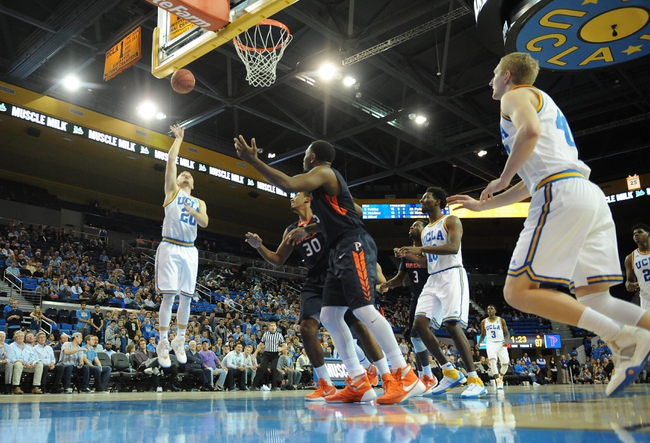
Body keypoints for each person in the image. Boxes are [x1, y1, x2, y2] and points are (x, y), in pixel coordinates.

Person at [447, 52, 650, 396]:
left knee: (516, 292)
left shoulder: (514, 96)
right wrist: (484, 207)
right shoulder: (545, 101)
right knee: (596, 299)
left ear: (507, 75)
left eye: (495, 74)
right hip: (585, 192)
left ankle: (623, 338)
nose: (491, 81)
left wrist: (499, 178)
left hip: (560, 193)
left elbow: (530, 132)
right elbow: (529, 180)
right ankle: (631, 336)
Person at [234, 136, 424, 404]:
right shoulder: (319, 195)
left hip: (352, 243)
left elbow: (288, 183)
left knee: (363, 311)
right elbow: (341, 213)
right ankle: (358, 380)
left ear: (312, 156)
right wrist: (308, 228)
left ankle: (403, 373)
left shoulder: (323, 172)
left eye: (305, 155)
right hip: (337, 251)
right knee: (330, 315)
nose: (303, 159)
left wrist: (253, 160)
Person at [245, 192, 385, 401]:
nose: (291, 199)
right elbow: (277, 260)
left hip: (337, 272)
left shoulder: (323, 215)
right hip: (314, 280)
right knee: (306, 327)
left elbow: (355, 213)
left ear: (308, 199)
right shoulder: (291, 229)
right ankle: (326, 384)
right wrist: (259, 247)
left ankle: (385, 374)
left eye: (296, 195)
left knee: (357, 324)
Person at [397, 187, 486, 398]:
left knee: (452, 325)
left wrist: (421, 249)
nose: (422, 199)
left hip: (452, 275)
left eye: (426, 197)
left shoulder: (451, 221)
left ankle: (475, 378)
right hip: (434, 277)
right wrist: (409, 253)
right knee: (418, 325)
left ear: (437, 201)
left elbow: (453, 247)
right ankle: (449, 371)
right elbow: (428, 261)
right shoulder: (426, 230)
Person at [155, 124, 209, 369]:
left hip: (190, 249)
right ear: (176, 181)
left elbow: (206, 222)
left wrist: (192, 211)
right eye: (182, 174)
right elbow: (171, 159)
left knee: (187, 298)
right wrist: (179, 139)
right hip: (170, 246)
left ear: (194, 184)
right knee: (169, 296)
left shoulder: (199, 202)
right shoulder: (171, 192)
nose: (186, 174)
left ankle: (180, 339)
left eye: (190, 175)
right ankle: (163, 341)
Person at [380, 219, 437, 393]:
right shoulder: (406, 254)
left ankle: (430, 375)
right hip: (415, 298)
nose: (411, 228)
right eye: (411, 226)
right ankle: (423, 376)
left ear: (424, 230)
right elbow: (400, 277)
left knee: (419, 333)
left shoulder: (429, 249)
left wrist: (408, 253)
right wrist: (387, 284)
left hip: (432, 296)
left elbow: (427, 264)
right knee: (414, 337)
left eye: (415, 225)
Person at [477, 305, 511, 390]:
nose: (489, 310)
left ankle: (501, 376)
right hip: (490, 343)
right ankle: (498, 380)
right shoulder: (484, 322)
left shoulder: (501, 320)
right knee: (492, 361)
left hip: (501, 343)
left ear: (495, 311)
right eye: (488, 309)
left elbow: (507, 333)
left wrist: (506, 342)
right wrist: (479, 343)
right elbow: (483, 334)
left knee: (505, 363)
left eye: (491, 308)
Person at [7, 330, 44, 394]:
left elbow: (33, 357)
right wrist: (23, 363)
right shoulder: (11, 346)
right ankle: (16, 387)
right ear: (15, 338)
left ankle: (35, 386)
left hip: (28, 365)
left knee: (39, 364)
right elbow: (11, 358)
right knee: (18, 364)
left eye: (22, 336)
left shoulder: (28, 347)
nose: (21, 337)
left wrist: (30, 363)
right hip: (18, 365)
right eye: (19, 336)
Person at [624, 224, 650, 312]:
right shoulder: (630, 258)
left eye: (640, 232)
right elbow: (629, 281)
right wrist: (629, 285)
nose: (636, 235)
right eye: (634, 233)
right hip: (646, 298)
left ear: (648, 235)